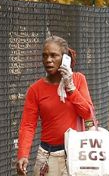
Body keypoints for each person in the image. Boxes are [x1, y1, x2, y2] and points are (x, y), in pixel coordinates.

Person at [15, 36, 96, 176]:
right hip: (47, 156)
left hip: (76, 156)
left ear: (65, 58)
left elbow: (87, 113)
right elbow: (28, 125)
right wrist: (23, 155)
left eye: (54, 55)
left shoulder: (78, 80)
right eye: (45, 56)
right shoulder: (35, 89)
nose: (48, 60)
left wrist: (70, 88)